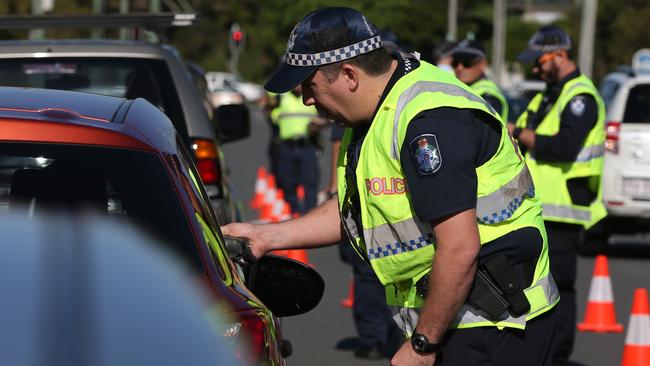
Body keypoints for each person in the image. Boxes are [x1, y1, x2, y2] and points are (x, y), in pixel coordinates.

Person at [224, 7, 559, 365]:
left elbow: (460, 248)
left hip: (496, 329)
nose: (305, 98)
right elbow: (359, 209)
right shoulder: (373, 115)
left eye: (310, 85)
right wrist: (266, 237)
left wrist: (422, 346)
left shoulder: (428, 121)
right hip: (457, 320)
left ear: (349, 75)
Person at [512, 25, 607, 366]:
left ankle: (558, 356)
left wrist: (520, 133)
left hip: (564, 210)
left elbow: (564, 147)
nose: (535, 68)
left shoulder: (580, 96)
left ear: (560, 55)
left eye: (540, 61)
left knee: (559, 289)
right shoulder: (548, 94)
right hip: (538, 208)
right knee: (538, 287)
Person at [270, 85, 327, 214]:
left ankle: (309, 215)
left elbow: (326, 117)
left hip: (308, 145)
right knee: (287, 183)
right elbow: (270, 111)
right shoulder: (281, 97)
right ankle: (294, 213)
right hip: (286, 146)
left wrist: (319, 123)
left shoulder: (311, 98)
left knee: (310, 183)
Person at [451, 39, 509, 122]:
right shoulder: (457, 88)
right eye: (455, 63)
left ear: (482, 64)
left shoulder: (488, 95)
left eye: (467, 63)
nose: (459, 68)